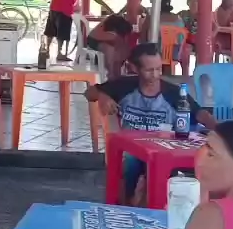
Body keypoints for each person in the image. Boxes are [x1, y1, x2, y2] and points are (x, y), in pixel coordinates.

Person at [84, 43, 217, 205]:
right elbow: (89, 92)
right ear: (135, 68)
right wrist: (102, 96)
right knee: (130, 164)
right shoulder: (124, 86)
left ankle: (147, 204)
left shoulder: (172, 93)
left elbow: (199, 113)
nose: (155, 75)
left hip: (162, 150)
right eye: (149, 70)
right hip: (130, 149)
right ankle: (125, 204)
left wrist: (218, 127)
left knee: (164, 169)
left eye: (158, 69)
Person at [44, 0, 113, 61]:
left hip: (54, 6)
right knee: (63, 32)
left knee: (51, 30)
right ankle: (59, 53)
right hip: (65, 9)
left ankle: (46, 51)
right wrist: (108, 8)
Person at [85, 14, 133, 78]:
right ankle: (112, 74)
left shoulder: (110, 26)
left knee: (116, 48)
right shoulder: (111, 35)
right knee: (111, 48)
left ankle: (115, 74)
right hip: (98, 56)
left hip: (103, 55)